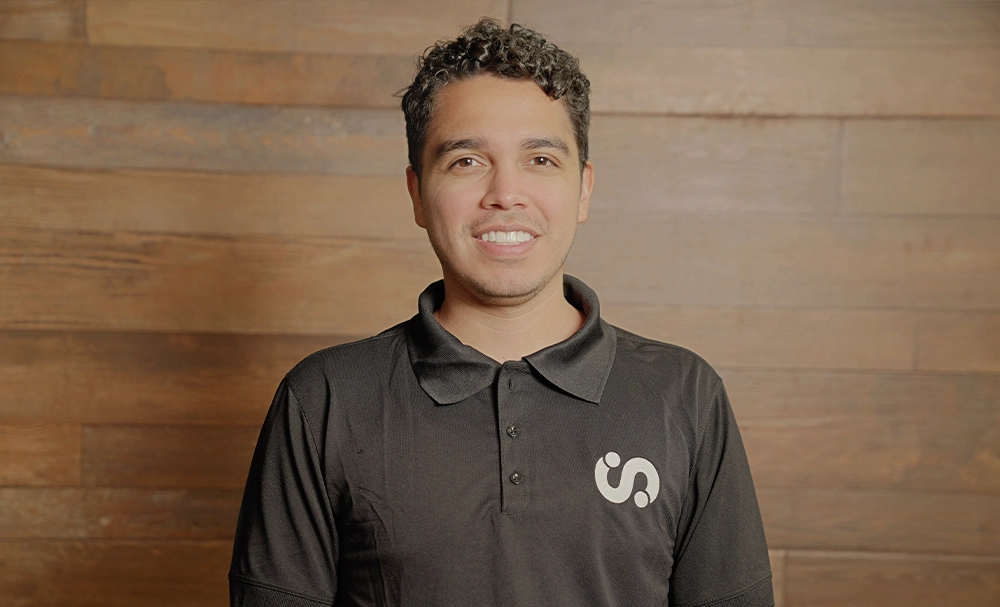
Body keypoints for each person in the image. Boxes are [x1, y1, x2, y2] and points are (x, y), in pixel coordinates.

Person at [229, 18, 773, 607]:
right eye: (466, 161)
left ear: (584, 189)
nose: (505, 193)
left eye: (540, 159)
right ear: (416, 193)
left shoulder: (683, 395)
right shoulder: (324, 398)